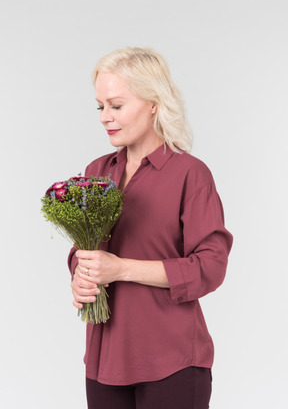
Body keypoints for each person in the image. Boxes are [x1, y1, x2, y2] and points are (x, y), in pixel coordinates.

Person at [68, 47, 233, 409]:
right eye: (100, 106)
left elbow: (210, 267)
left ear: (153, 103)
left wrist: (121, 268)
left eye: (116, 105)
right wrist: (80, 276)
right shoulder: (97, 172)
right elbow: (83, 251)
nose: (104, 117)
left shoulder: (190, 174)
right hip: (103, 360)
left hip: (171, 361)